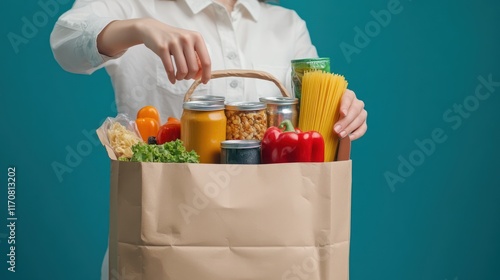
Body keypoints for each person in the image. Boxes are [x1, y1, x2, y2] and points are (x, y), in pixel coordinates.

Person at [50, 0, 368, 278]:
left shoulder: (286, 25)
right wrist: (140, 28)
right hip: (165, 244)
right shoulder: (138, 5)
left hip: (274, 245)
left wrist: (341, 107)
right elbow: (66, 41)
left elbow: (311, 117)